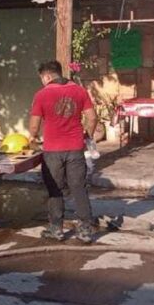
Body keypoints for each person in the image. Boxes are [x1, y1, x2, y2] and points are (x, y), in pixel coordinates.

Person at [28, 60, 97, 244]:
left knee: (55, 189)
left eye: (42, 78)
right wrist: (87, 136)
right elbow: (92, 118)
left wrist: (32, 138)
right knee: (79, 188)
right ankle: (84, 231)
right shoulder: (79, 91)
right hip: (75, 148)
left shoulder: (41, 95)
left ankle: (56, 229)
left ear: (47, 76)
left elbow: (34, 125)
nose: (42, 82)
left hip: (52, 151)